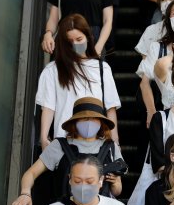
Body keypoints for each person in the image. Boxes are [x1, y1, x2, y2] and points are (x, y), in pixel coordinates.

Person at [11, 97, 124, 205]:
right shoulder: (59, 145)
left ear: (101, 122)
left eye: (94, 118)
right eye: (84, 119)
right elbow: (31, 173)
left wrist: (116, 183)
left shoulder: (110, 147)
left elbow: (117, 191)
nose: (89, 122)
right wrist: (25, 194)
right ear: (75, 121)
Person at [37, 14, 121, 149]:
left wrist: (115, 141)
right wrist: (44, 137)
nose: (75, 44)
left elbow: (110, 107)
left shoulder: (102, 68)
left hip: (97, 143)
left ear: (88, 36)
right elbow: (48, 106)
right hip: (64, 142)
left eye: (79, 39)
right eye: (70, 41)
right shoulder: (52, 70)